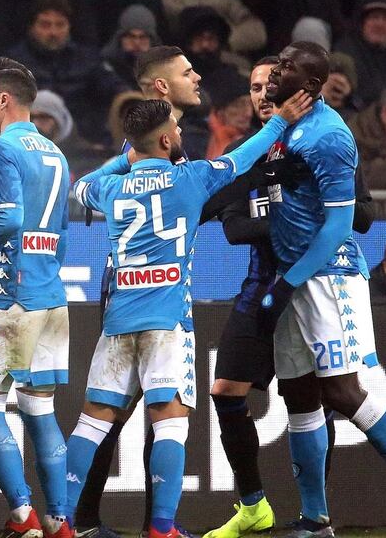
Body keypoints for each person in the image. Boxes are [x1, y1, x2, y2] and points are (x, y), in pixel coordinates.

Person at [69, 88, 312, 538]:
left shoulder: (109, 186)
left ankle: (62, 522)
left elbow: (80, 186)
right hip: (167, 324)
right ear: (165, 142)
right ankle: (161, 527)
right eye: (175, 130)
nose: (180, 133)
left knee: (93, 419)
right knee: (169, 420)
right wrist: (279, 123)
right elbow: (243, 158)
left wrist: (129, 160)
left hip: (117, 321)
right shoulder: (193, 179)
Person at [259, 41, 386, 538]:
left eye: (285, 68)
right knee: (299, 394)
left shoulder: (329, 135)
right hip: (292, 276)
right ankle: (314, 518)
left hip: (329, 275)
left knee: (344, 390)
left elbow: (339, 224)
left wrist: (292, 280)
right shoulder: (286, 126)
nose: (275, 71)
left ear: (309, 84)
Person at [202, 57, 373, 538]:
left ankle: (315, 514)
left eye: (269, 85)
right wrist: (285, 214)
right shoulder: (244, 153)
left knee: (317, 398)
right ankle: (253, 503)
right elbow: (233, 228)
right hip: (261, 287)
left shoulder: (321, 143)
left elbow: (362, 216)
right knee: (225, 392)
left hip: (315, 283)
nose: (261, 94)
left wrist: (307, 209)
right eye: (253, 87)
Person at [0, 57, 72, 538]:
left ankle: (23, 515)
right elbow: (63, 234)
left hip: (8, 294)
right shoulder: (56, 153)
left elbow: (7, 219)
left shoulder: (2, 148)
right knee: (39, 409)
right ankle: (59, 520)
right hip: (51, 294)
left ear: (4, 100)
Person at [6, 0, 125, 142]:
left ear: (69, 27)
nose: (53, 32)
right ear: (32, 27)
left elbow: (115, 87)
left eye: (60, 25)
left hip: (86, 140)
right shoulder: (14, 62)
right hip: (29, 139)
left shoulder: (86, 59)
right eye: (45, 25)